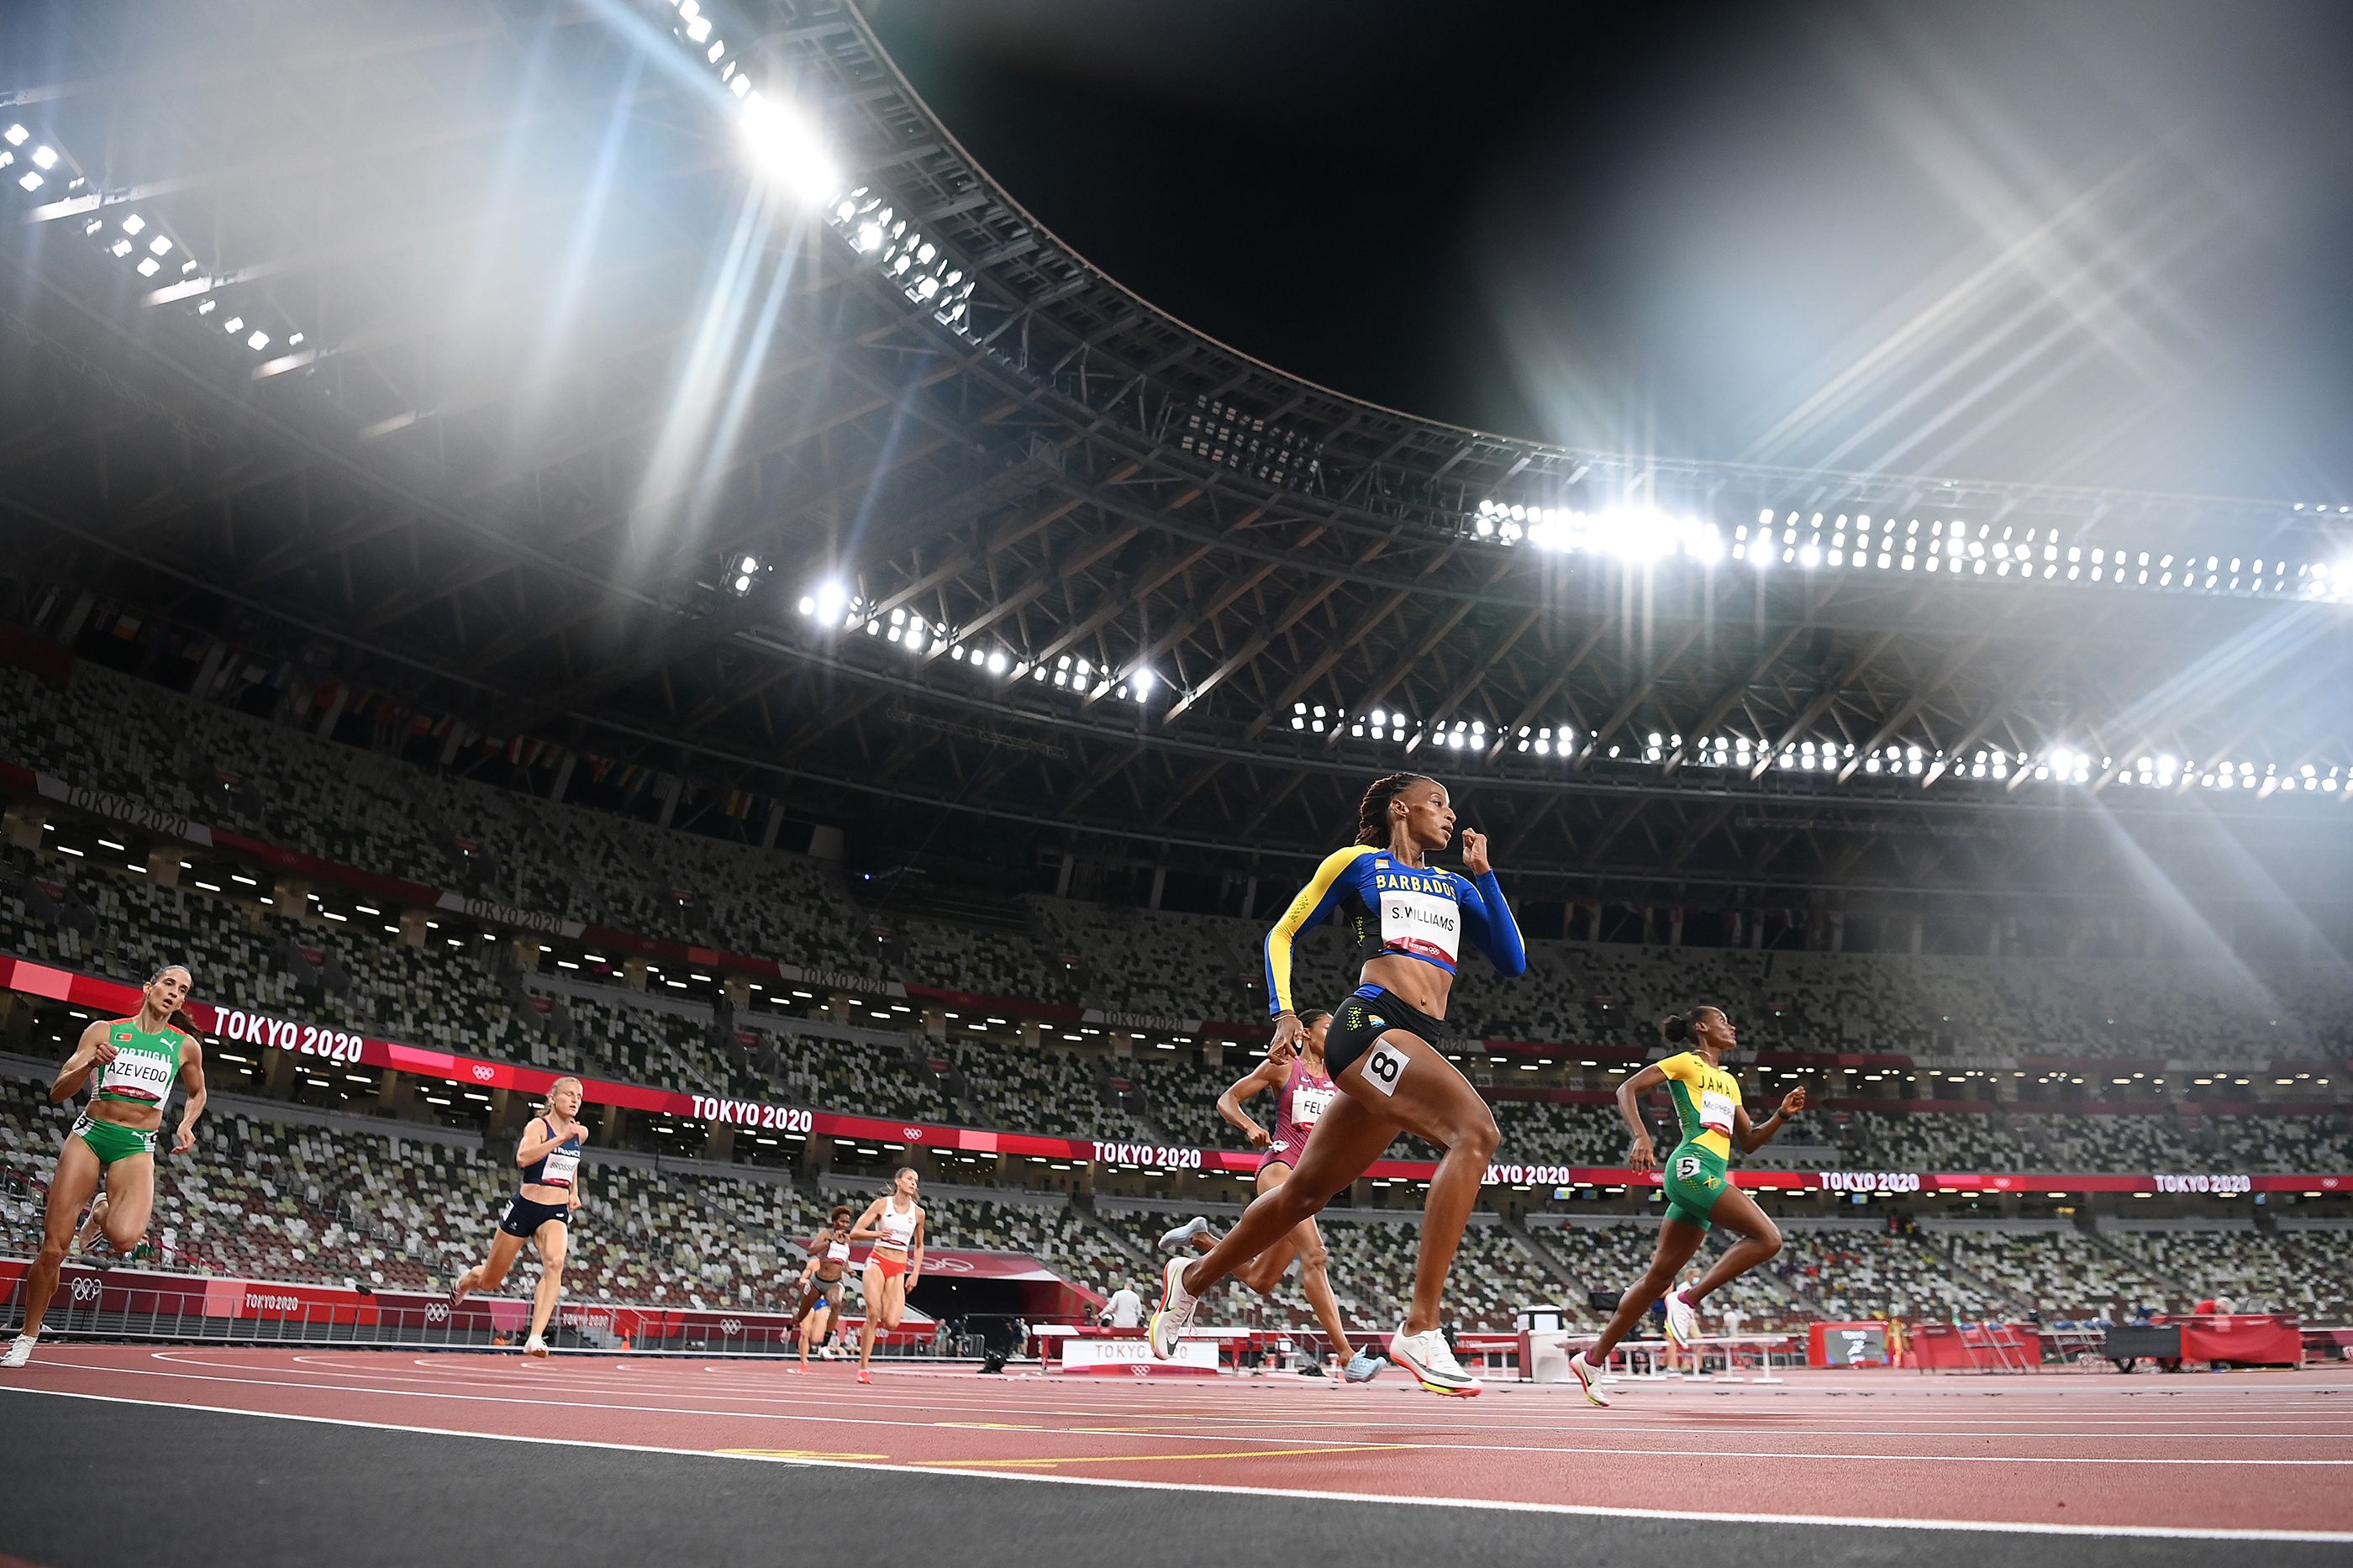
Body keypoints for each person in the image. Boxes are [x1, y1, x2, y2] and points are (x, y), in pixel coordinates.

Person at [1148, 773, 1524, 1397]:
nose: (1450, 815)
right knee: (1476, 1132)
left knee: (1302, 1196)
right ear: (1399, 809)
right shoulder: (1358, 864)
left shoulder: (1456, 885)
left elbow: (1512, 961)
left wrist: (1485, 875)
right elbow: (1282, 933)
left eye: (1452, 807)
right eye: (1438, 803)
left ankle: (1190, 1279)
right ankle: (1421, 1326)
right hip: (1367, 1023)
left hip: (1417, 1040)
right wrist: (1285, 1011)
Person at [1567, 1007, 1806, 1406]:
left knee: (1657, 1279)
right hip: (1691, 1167)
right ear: (1701, 1028)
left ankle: (1592, 1359)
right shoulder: (1685, 1063)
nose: (1732, 1026)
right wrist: (1641, 1136)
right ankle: (1689, 1298)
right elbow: (1625, 1089)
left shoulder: (1730, 1082)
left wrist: (1781, 1114)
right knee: (1767, 1238)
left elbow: (1747, 1141)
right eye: (1723, 1021)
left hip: (1713, 1171)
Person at [1158, 1009, 1385, 1382]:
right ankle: (1347, 1358)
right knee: (1315, 1254)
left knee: (1261, 1280)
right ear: (1307, 1033)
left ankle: (1200, 1238)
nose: (1335, 1032)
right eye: (1329, 1027)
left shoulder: (1340, 1078)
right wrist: (1249, 1126)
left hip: (1313, 1180)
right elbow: (1227, 1100)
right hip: (1280, 1166)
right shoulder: (1283, 1066)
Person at [6, 964, 209, 1369]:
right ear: (149, 987)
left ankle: (101, 1210)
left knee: (124, 1240)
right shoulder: (105, 1031)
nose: (174, 993)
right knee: (53, 1249)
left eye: (182, 990)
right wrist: (89, 1064)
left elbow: (198, 1091)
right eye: (169, 984)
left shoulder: (184, 1046)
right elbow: (58, 1091)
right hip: (91, 1135)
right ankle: (27, 1335)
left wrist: (186, 1123)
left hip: (136, 1145)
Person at [450, 1076, 589, 1359]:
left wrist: (574, 1191)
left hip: (555, 1211)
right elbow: (523, 1159)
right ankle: (466, 1280)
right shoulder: (538, 1126)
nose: (575, 1100)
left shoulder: (580, 1133)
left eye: (580, 1097)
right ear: (552, 1097)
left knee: (556, 1262)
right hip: (525, 1207)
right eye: (569, 1094)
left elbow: (571, 1162)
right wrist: (559, 1138)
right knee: (490, 1280)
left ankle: (536, 1337)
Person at [850, 1166, 925, 1384]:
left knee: (892, 1323)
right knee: (873, 1314)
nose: (913, 1183)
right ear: (898, 1181)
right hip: (877, 1262)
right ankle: (863, 1368)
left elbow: (919, 1247)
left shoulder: (918, 1213)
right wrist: (877, 1233)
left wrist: (915, 1273)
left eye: (916, 1180)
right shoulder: (882, 1204)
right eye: (910, 1178)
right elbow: (855, 1232)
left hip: (899, 1268)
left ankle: (882, 1301)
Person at [792, 1204, 856, 1373]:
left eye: (847, 1222)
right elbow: (810, 1252)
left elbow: (844, 1257)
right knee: (801, 1315)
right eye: (842, 1221)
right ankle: (789, 1326)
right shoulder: (825, 1234)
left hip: (835, 1283)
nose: (845, 1225)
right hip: (817, 1280)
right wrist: (830, 1241)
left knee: (836, 1305)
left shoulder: (848, 1239)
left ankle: (824, 1346)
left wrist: (848, 1269)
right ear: (835, 1221)